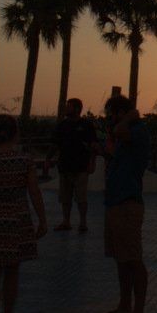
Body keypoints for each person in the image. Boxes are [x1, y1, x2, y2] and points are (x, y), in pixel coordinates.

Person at [0, 115, 48, 313]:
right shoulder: (24, 161)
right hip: (17, 220)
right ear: (15, 134)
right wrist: (42, 219)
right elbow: (34, 192)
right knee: (12, 271)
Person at [101, 94, 151, 313]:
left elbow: (120, 131)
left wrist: (130, 117)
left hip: (128, 203)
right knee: (121, 259)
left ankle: (137, 310)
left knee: (132, 258)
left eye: (112, 113)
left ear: (122, 113)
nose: (110, 118)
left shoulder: (137, 130)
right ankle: (124, 306)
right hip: (115, 202)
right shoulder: (126, 135)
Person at [48, 97, 96, 232]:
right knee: (65, 197)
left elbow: (93, 145)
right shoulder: (62, 125)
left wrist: (92, 163)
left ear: (76, 109)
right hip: (65, 166)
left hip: (81, 167)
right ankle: (66, 221)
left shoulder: (86, 125)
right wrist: (48, 159)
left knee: (81, 197)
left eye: (68, 106)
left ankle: (83, 223)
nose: (65, 109)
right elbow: (55, 144)